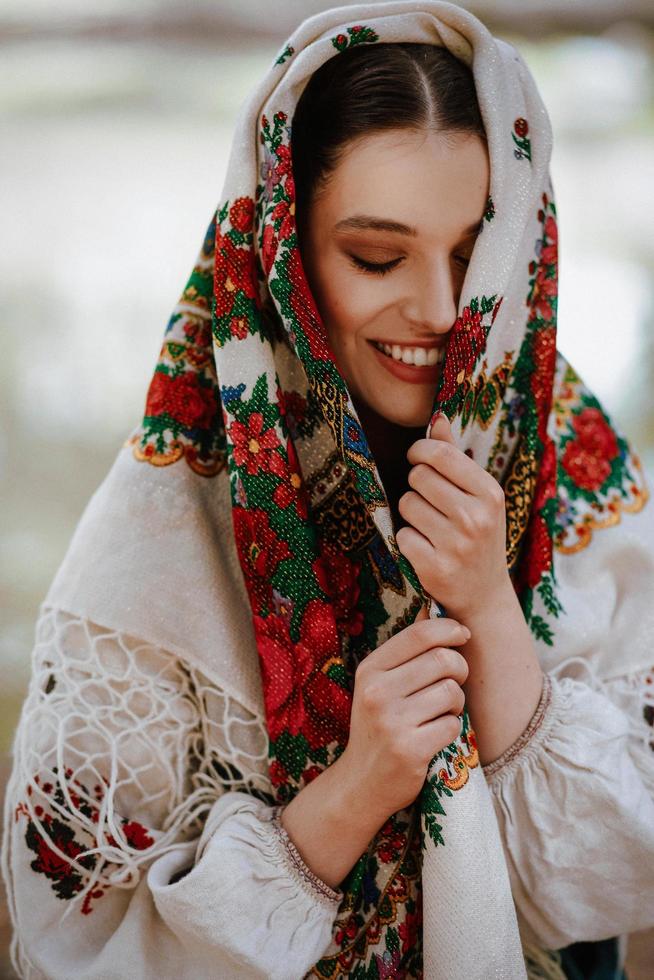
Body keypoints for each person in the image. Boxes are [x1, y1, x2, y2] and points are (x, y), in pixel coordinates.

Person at [2, 3, 653, 978]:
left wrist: (491, 613)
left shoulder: (576, 466)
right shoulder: (167, 521)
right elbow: (76, 937)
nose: (438, 310)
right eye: (377, 256)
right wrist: (357, 786)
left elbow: (626, 868)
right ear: (284, 251)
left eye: (479, 256)